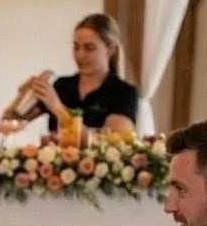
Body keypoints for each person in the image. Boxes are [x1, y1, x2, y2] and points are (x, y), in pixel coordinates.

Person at [10, 13, 138, 135]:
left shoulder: (124, 92)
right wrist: (23, 97)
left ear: (110, 49)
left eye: (89, 48)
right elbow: (9, 124)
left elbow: (109, 144)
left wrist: (58, 109)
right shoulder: (62, 85)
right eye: (76, 47)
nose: (80, 55)